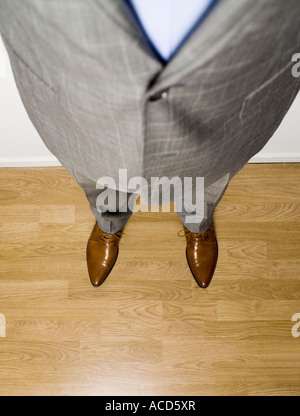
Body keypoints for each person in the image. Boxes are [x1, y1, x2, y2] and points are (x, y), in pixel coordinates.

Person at [0, 0, 299, 289]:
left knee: (209, 173)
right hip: (80, 88)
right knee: (98, 172)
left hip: (229, 90)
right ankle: (109, 224)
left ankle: (198, 225)